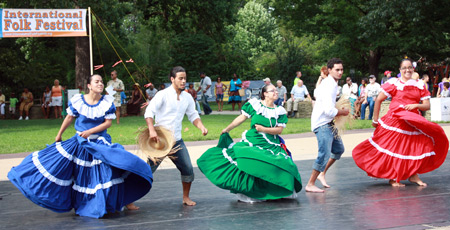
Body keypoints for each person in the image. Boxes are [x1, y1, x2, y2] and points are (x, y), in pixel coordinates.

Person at [8, 74, 153, 218]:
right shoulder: (78, 101)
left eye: (101, 82)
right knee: (77, 172)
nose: (100, 84)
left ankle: (126, 201)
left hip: (99, 141)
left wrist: (90, 131)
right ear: (89, 86)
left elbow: (108, 123)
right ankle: (87, 203)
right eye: (96, 82)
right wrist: (59, 134)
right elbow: (69, 117)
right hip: (80, 143)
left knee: (114, 168)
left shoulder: (106, 102)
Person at [197, 84, 302, 202]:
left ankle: (273, 190)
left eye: (276, 91)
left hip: (272, 143)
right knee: (250, 161)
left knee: (282, 162)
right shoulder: (255, 105)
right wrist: (227, 129)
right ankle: (251, 190)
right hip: (254, 140)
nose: (276, 92)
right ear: (265, 94)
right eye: (272, 90)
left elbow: (279, 130)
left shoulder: (279, 110)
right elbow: (241, 118)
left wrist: (264, 129)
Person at [352, 58, 449, 187]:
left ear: (413, 69)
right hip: (396, 120)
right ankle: (393, 177)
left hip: (413, 121)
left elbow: (426, 105)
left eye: (409, 67)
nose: (407, 70)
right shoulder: (394, 83)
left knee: (418, 146)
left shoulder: (419, 84)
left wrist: (415, 105)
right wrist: (375, 120)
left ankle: (413, 175)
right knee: (395, 148)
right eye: (404, 68)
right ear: (400, 70)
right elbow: (378, 100)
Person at [145, 66, 208, 206]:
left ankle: (186, 198)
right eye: (180, 78)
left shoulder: (187, 97)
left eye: (185, 78)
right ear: (172, 79)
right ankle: (129, 199)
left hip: (177, 141)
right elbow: (149, 112)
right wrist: (152, 130)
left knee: (188, 170)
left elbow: (193, 115)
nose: (183, 81)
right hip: (160, 141)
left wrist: (201, 126)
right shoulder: (162, 94)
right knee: (146, 172)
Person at [305, 58, 349, 193]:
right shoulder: (329, 85)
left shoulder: (330, 83)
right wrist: (343, 111)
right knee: (324, 154)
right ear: (329, 70)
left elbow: (316, 94)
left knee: (338, 150)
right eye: (337, 70)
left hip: (327, 123)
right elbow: (329, 111)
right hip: (322, 124)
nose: (340, 72)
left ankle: (322, 173)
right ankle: (310, 184)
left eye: (341, 69)